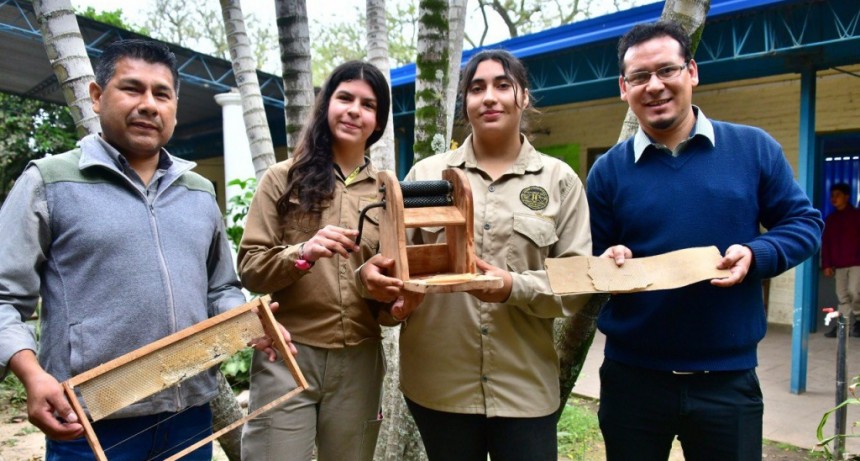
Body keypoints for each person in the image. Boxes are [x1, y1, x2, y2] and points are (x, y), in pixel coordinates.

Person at [0, 39, 294, 460]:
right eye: (132, 89)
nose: (149, 105)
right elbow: (4, 297)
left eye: (162, 94)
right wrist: (31, 375)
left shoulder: (198, 192)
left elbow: (219, 289)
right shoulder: (49, 182)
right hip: (89, 423)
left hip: (190, 417)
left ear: (174, 106)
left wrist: (248, 323)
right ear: (98, 97)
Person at [586, 21, 824, 461]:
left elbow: (803, 222)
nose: (654, 86)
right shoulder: (607, 171)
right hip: (633, 379)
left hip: (727, 380)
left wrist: (758, 252)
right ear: (624, 88)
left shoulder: (753, 149)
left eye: (667, 70)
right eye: (640, 77)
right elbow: (589, 256)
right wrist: (606, 260)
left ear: (692, 72)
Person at [360, 49, 592, 460]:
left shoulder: (560, 181)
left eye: (503, 85)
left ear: (523, 96)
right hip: (440, 386)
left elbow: (577, 284)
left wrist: (511, 286)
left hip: (524, 388)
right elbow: (393, 272)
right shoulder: (424, 177)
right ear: (465, 103)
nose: (489, 97)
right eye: (477, 88)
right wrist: (385, 290)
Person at [237, 60, 394, 461]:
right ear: (326, 105)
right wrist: (303, 252)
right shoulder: (281, 178)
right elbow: (251, 268)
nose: (354, 110)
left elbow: (393, 292)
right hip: (288, 355)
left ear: (378, 121)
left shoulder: (387, 192)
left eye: (368, 104)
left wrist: (397, 295)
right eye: (344, 98)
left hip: (359, 358)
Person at [822, 182, 860, 337]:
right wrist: (827, 264)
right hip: (839, 265)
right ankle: (843, 326)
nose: (833, 198)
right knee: (842, 295)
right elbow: (827, 244)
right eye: (832, 196)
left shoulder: (857, 216)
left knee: (855, 292)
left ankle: (858, 318)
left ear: (847, 197)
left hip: (857, 263)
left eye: (837, 195)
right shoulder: (831, 220)